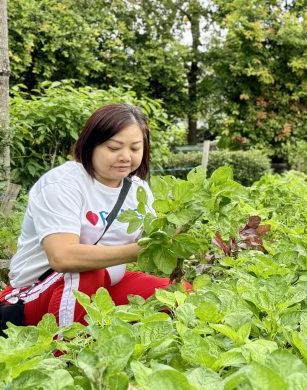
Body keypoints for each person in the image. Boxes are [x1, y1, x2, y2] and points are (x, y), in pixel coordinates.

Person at [0, 103, 186, 329]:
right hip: (34, 295)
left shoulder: (137, 189)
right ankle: (66, 355)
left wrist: (177, 235)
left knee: (180, 296)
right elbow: (63, 257)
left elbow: (153, 241)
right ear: (91, 145)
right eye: (114, 147)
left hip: (103, 288)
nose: (125, 157)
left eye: (135, 148)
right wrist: (140, 251)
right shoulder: (62, 184)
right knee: (86, 272)